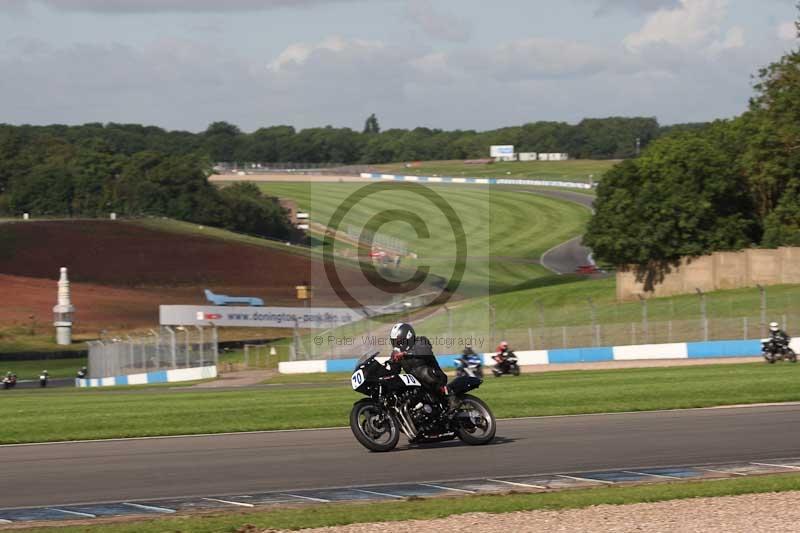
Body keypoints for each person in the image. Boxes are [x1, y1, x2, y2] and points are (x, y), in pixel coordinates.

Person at [387, 322, 458, 411]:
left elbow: (425, 351)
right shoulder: (397, 354)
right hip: (417, 385)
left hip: (436, 378)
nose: (396, 344)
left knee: (423, 371)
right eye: (394, 341)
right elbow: (393, 370)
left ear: (408, 337)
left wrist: (405, 354)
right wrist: (389, 364)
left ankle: (449, 395)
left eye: (398, 341)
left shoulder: (420, 341)